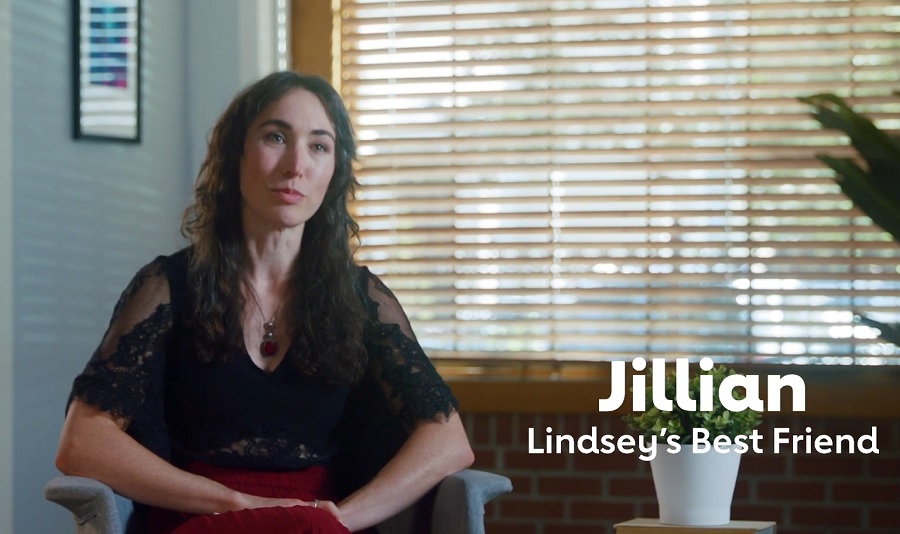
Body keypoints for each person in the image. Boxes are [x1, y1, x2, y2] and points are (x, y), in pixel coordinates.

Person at [54, 71, 474, 534]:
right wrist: (232, 503)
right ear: (236, 153)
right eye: (276, 136)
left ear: (335, 171)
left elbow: (448, 439)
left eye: (319, 146)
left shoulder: (362, 298)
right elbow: (82, 442)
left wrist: (343, 517)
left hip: (318, 527)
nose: (296, 165)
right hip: (200, 519)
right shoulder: (168, 286)